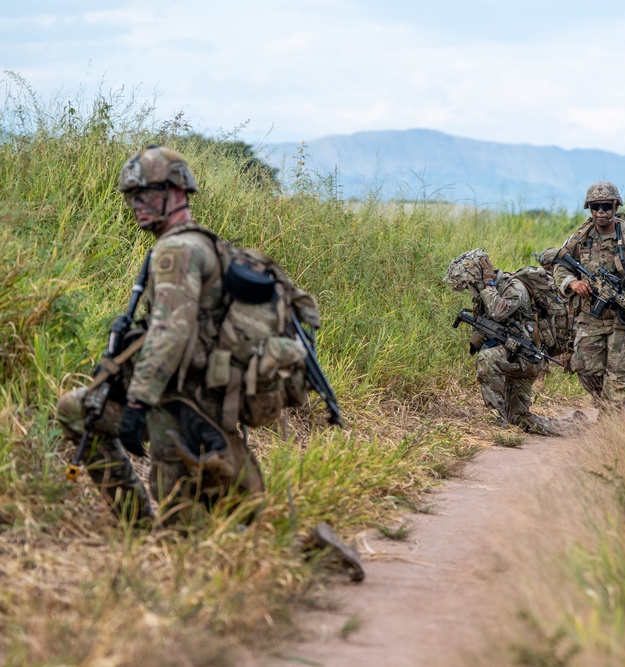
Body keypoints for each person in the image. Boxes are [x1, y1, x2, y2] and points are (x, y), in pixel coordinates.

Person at [56, 147, 369, 577]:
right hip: (201, 403)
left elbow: (171, 332)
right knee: (78, 409)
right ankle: (139, 525)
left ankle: (308, 558)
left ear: (176, 193)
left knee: (190, 546)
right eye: (132, 197)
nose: (136, 206)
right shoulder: (207, 243)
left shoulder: (176, 252)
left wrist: (136, 404)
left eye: (145, 194)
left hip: (182, 409)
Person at [551, 181, 625, 412]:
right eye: (595, 207)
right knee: (585, 369)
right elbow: (560, 265)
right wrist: (573, 282)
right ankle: (608, 404)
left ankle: (613, 419)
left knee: (617, 375)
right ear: (589, 209)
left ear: (615, 206)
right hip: (591, 316)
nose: (601, 212)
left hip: (624, 317)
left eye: (606, 206)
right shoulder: (580, 237)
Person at [445, 248, 561, 435]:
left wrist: (487, 284)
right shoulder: (483, 293)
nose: (470, 289)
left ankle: (495, 422)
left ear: (478, 276)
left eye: (470, 284)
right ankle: (572, 428)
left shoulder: (512, 287)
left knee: (487, 359)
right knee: (518, 417)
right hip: (513, 355)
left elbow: (499, 312)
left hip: (526, 357)